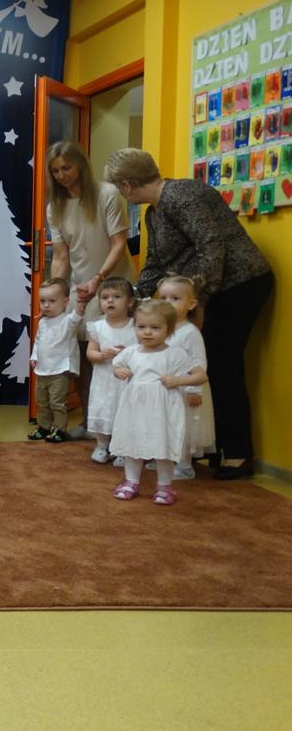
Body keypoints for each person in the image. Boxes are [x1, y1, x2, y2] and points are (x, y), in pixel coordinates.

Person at [104, 147, 272, 479]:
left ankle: (238, 453)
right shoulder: (154, 212)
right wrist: (136, 297)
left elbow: (212, 248)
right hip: (205, 291)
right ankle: (207, 447)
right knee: (198, 364)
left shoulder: (183, 196)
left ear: (126, 186)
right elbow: (156, 261)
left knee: (221, 365)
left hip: (239, 284)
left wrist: (199, 301)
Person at [45, 141, 135, 437]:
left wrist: (99, 278)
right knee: (84, 357)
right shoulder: (54, 208)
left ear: (81, 165)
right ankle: (88, 422)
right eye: (55, 171)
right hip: (80, 291)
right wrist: (56, 295)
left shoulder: (107, 194)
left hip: (113, 286)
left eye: (66, 168)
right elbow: (61, 257)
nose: (61, 175)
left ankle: (124, 425)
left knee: (119, 355)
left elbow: (118, 243)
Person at [109, 299, 206, 506]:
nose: (147, 332)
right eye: (141, 327)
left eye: (155, 328)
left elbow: (200, 376)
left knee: (163, 446)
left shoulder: (175, 353)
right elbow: (116, 366)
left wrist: (178, 380)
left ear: (169, 330)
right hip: (135, 408)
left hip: (163, 409)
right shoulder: (131, 351)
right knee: (133, 443)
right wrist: (119, 371)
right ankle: (131, 482)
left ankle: (164, 486)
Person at [157, 274, 215, 480]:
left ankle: (184, 465)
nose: (168, 303)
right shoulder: (162, 328)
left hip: (185, 388)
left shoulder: (190, 332)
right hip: (167, 387)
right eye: (163, 298)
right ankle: (166, 459)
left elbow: (199, 363)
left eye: (175, 298)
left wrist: (193, 389)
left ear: (191, 304)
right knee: (168, 424)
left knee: (183, 426)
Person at [84, 277, 137, 465]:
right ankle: (102, 445)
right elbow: (90, 353)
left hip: (127, 379)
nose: (110, 301)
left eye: (117, 296)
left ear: (130, 301)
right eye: (105, 297)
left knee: (125, 411)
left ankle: (122, 448)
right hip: (104, 379)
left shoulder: (136, 326)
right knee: (103, 408)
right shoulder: (98, 327)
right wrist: (101, 355)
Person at [28, 277, 88, 443]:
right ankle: (44, 427)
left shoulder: (67, 320)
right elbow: (38, 341)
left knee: (57, 402)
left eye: (52, 301)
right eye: (43, 301)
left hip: (60, 370)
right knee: (42, 401)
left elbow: (77, 316)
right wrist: (34, 356)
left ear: (65, 302)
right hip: (43, 370)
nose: (46, 305)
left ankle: (59, 429)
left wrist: (81, 303)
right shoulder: (43, 322)